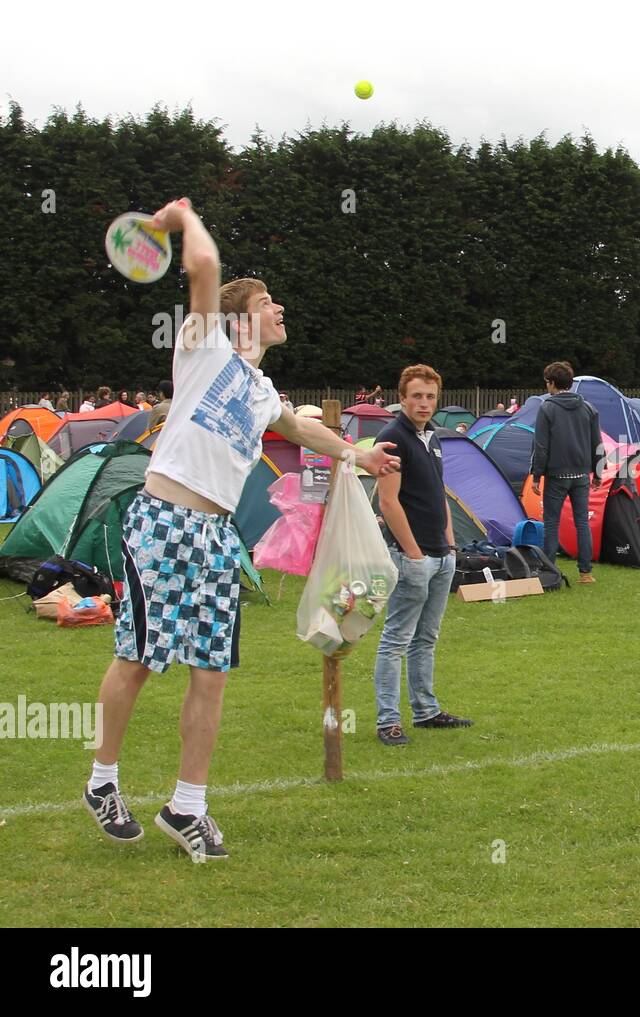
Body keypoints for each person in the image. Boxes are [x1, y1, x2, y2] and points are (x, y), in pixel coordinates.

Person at [83, 197, 400, 862]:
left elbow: (299, 426)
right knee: (139, 657)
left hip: (216, 536)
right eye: (271, 301)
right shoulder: (203, 345)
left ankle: (187, 806)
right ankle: (103, 780)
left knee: (212, 670)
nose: (281, 309)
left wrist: (358, 454)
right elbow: (200, 261)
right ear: (241, 314)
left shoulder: (259, 389)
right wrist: (179, 216)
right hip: (165, 519)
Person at [372, 364, 472, 747]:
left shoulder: (432, 437)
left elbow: (438, 492)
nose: (424, 403)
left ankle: (426, 710)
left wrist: (449, 543)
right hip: (411, 556)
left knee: (426, 638)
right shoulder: (393, 438)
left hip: (441, 554)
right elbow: (388, 501)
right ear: (402, 398)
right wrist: (413, 553)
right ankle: (388, 721)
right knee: (396, 638)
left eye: (430, 396)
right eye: (417, 396)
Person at [530, 361, 602, 584]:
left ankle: (550, 572)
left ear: (551, 383)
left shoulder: (547, 408)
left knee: (552, 523)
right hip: (581, 475)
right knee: (582, 523)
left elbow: (541, 446)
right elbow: (596, 442)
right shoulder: (588, 408)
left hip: (556, 475)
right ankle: (586, 573)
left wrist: (536, 475)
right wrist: (599, 472)